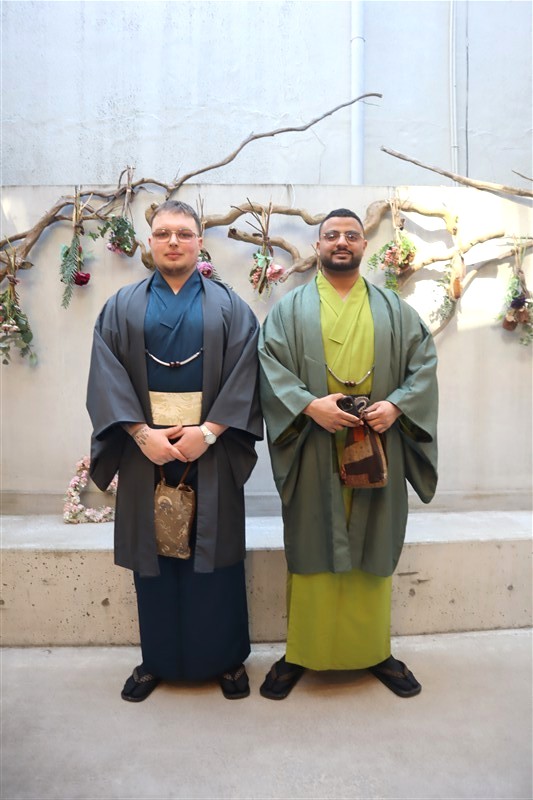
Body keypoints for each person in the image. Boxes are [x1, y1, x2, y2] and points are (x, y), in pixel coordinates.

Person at [258, 208, 438, 700]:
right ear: (317, 246)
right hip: (314, 444)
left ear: (364, 246)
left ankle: (374, 650)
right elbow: (269, 365)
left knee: (371, 544)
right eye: (332, 235)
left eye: (351, 235)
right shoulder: (289, 310)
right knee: (313, 544)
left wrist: (396, 406)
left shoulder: (394, 309)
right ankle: (302, 652)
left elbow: (423, 365)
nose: (342, 241)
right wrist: (308, 406)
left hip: (377, 443)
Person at [87, 200, 262, 702]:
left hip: (213, 446)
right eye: (163, 233)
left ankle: (226, 659)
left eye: (184, 233)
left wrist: (208, 433)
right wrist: (141, 434)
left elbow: (247, 373)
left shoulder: (231, 307)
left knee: (216, 557)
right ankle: (157, 660)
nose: (173, 242)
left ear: (200, 241)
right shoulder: (121, 306)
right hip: (145, 449)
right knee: (155, 560)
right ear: (150, 242)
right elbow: (106, 374)